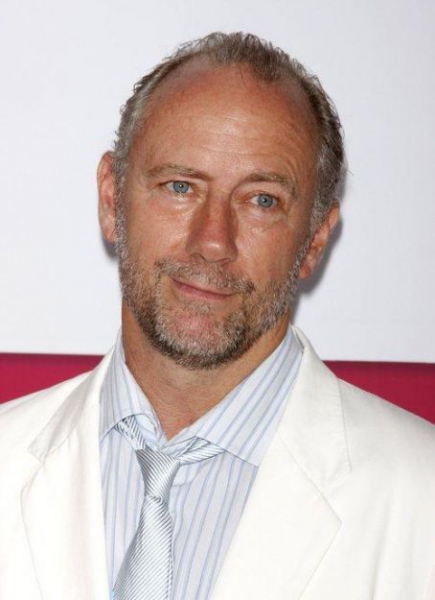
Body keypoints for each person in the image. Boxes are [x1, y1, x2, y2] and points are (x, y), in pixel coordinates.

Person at [1, 32, 434, 600]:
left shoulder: (421, 497)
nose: (212, 241)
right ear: (111, 201)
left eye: (262, 200)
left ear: (314, 239)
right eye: (180, 186)